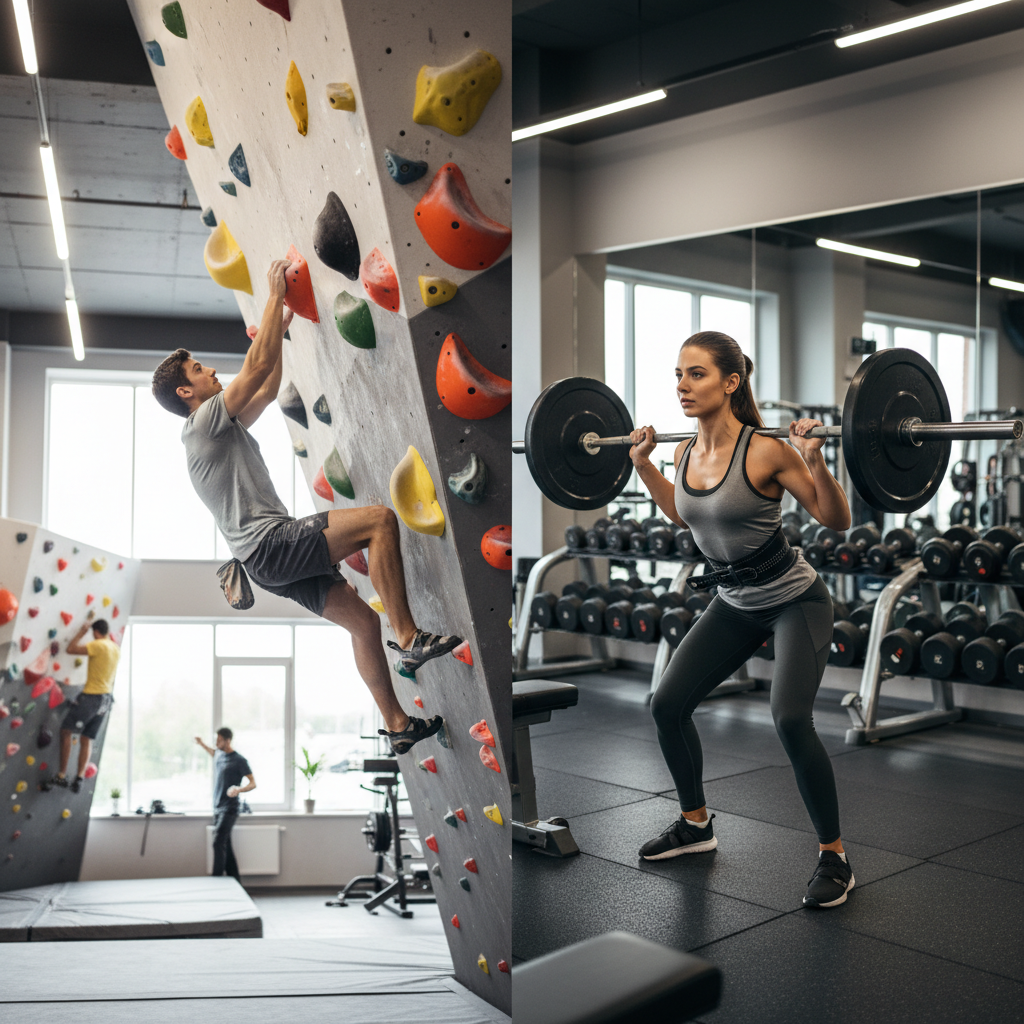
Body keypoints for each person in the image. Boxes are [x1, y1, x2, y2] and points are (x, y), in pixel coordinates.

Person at [151, 260, 460, 755]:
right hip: (270, 547)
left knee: (362, 623)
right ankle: (409, 637)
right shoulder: (200, 425)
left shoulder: (219, 429)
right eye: (197, 370)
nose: (210, 370)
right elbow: (253, 369)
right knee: (380, 520)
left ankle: (399, 724)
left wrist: (283, 325)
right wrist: (274, 297)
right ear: (186, 392)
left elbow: (267, 386)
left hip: (265, 564)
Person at [631, 331, 854, 908]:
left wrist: (815, 458)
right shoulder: (683, 453)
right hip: (733, 602)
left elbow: (836, 519)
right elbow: (687, 518)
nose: (682, 385)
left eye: (696, 374)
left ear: (731, 382)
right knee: (666, 704)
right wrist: (644, 467)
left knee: (789, 719)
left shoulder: (764, 450)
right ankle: (696, 825)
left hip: (794, 601)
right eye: (678, 374)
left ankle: (835, 856)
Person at [43, 617, 120, 794]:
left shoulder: (98, 645)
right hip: (106, 700)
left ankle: (61, 776)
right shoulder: (115, 648)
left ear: (95, 633)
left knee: (66, 731)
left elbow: (70, 649)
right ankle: (79, 778)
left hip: (92, 697)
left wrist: (81, 632)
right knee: (87, 739)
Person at [195, 728, 255, 881]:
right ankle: (235, 881)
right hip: (217, 806)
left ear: (227, 740)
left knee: (217, 842)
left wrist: (239, 789)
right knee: (225, 845)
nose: (216, 742)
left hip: (230, 808)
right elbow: (212, 752)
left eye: (219, 740)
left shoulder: (239, 760)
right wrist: (201, 744)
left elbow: (252, 783)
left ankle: (217, 882)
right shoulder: (219, 756)